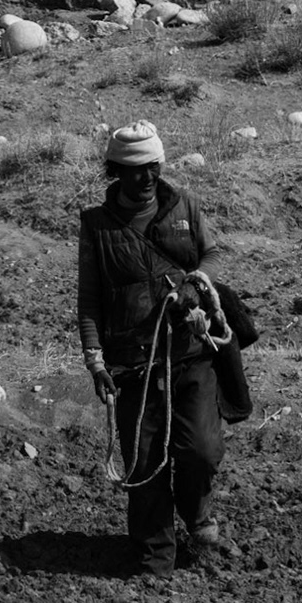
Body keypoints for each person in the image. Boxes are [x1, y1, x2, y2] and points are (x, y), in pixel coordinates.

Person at [77, 120, 231, 577]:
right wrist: (94, 360)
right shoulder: (97, 227)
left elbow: (214, 255)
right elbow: (89, 300)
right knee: (143, 466)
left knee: (201, 450)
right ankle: (154, 556)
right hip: (132, 365)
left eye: (153, 167)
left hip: (190, 350)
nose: (146, 177)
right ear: (115, 171)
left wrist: (195, 283)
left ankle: (198, 518)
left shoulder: (186, 206)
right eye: (136, 169)